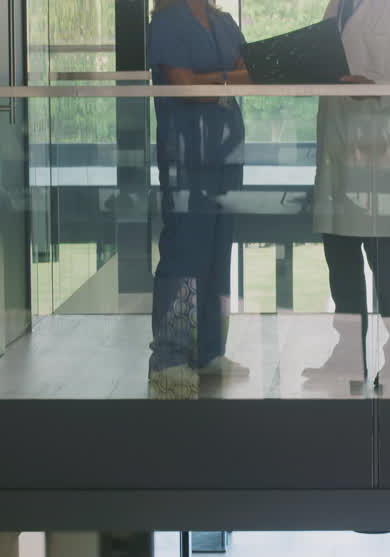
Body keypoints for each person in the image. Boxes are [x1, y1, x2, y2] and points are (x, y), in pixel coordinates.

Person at [308, 0, 390, 388]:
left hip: (376, 142)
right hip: (337, 137)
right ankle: (349, 357)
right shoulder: (339, 4)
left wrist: (374, 88)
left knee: (381, 252)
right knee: (338, 250)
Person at [147, 0, 251, 397]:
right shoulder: (167, 21)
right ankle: (170, 358)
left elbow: (251, 74)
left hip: (226, 151)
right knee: (185, 252)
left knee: (218, 250)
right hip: (186, 152)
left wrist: (210, 81)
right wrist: (225, 80)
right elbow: (183, 85)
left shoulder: (223, 21)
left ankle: (210, 351)